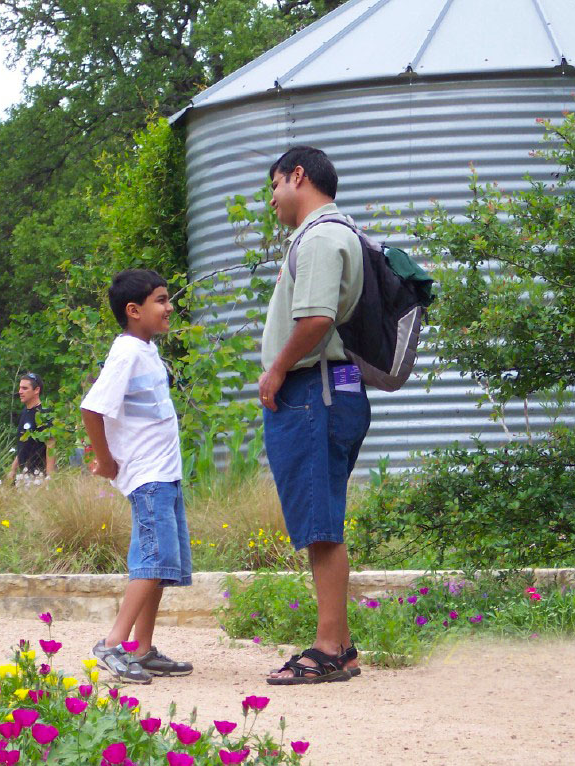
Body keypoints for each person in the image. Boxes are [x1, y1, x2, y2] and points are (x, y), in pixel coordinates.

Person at [258, 146, 369, 685]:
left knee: (321, 525)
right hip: (328, 391)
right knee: (321, 517)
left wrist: (276, 369)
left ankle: (327, 649)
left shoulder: (322, 236)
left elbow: (317, 318)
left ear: (296, 175)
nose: (273, 199)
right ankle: (340, 646)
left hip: (313, 392)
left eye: (274, 186)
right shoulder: (330, 234)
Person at [80, 269, 193, 684]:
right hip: (147, 477)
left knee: (161, 564)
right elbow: (92, 408)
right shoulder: (126, 352)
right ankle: (112, 644)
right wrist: (106, 461)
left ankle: (141, 650)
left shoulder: (146, 351)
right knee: (152, 559)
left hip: (165, 474)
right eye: (161, 300)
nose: (170, 307)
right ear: (134, 311)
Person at [7, 372, 56, 482]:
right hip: (23, 475)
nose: (20, 392)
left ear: (36, 390)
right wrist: (13, 470)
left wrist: (49, 477)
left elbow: (51, 444)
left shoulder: (43, 413)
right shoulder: (25, 412)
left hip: (38, 475)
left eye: (25, 388)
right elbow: (22, 445)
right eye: (20, 388)